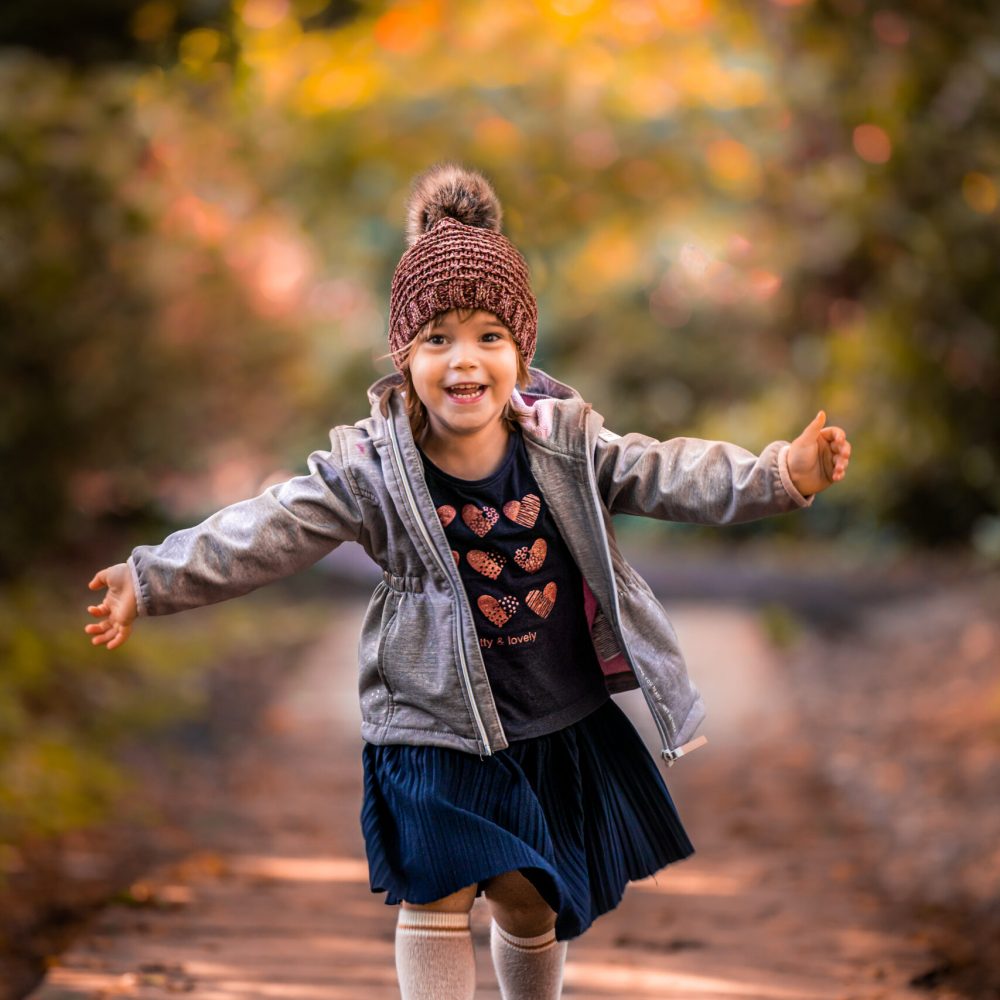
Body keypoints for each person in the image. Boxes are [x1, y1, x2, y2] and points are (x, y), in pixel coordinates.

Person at [85, 162, 852, 1000]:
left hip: (551, 718)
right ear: (404, 355)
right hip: (431, 722)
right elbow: (268, 527)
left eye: (490, 336)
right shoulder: (374, 468)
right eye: (437, 338)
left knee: (530, 906)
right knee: (437, 893)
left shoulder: (565, 444)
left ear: (521, 352)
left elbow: (670, 473)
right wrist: (150, 578)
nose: (465, 360)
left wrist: (783, 473)